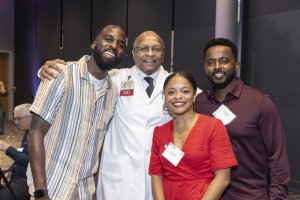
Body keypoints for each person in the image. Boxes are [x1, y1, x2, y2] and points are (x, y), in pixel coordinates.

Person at [39, 31, 181, 200]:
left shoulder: (178, 84)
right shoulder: (116, 78)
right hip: (120, 178)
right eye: (143, 49)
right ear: (133, 53)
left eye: (156, 49)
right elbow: (87, 72)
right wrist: (46, 70)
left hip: (160, 176)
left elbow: (200, 103)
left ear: (163, 54)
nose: (150, 54)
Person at [27, 25, 126, 199]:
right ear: (94, 43)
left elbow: (98, 146)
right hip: (53, 186)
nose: (114, 46)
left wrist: (93, 190)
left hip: (84, 192)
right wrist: (41, 191)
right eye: (108, 39)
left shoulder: (113, 92)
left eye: (120, 44)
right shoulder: (61, 74)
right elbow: (35, 132)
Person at [195, 38, 290, 199]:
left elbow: (278, 158)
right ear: (205, 67)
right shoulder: (199, 103)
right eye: (211, 62)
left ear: (236, 65)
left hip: (250, 196)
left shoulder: (260, 103)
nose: (217, 67)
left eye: (224, 61)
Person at [149, 71, 237, 200]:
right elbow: (156, 176)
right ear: (164, 96)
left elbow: (223, 178)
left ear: (194, 96)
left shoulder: (213, 127)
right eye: (171, 92)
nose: (178, 96)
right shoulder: (159, 132)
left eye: (185, 91)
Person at [0, 103, 32, 200]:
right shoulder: (27, 133)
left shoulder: (39, 137)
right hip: (16, 173)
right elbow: (21, 155)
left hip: (27, 179)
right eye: (15, 118)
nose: (15, 122)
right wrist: (10, 171)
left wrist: (8, 148)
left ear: (31, 117)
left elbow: (31, 162)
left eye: (19, 119)